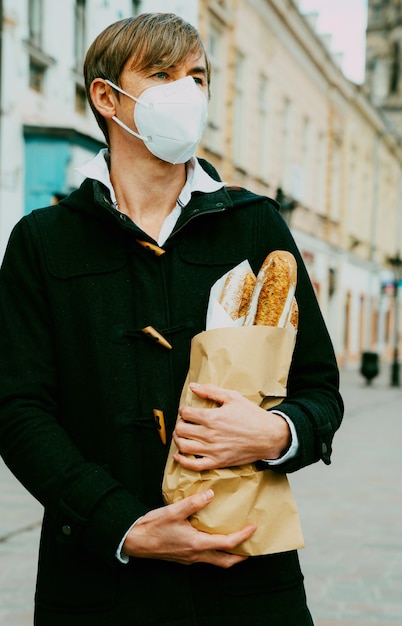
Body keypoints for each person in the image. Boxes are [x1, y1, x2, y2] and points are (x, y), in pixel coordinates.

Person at [0, 12, 343, 626]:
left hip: (245, 576)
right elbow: (17, 408)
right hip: (98, 583)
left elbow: (320, 388)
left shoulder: (255, 224)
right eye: (162, 74)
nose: (188, 92)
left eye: (198, 77)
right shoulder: (42, 241)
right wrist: (122, 526)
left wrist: (280, 434)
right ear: (107, 97)